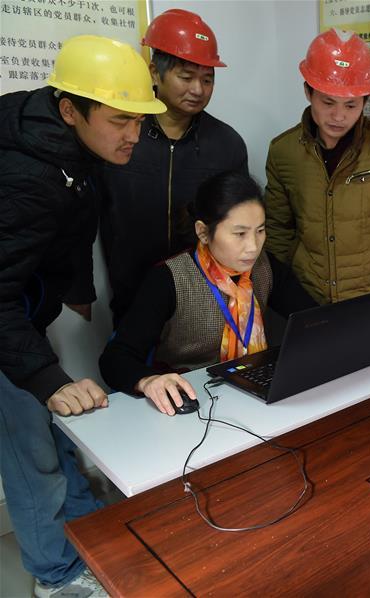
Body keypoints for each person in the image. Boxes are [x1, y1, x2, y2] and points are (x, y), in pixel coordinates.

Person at [0, 35, 165, 597]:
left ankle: (84, 524)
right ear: (71, 109)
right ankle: (55, 574)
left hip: (22, 302)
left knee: (55, 426)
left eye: (139, 121)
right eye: (120, 120)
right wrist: (44, 377)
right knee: (27, 445)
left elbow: (69, 211)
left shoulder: (60, 142)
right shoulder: (24, 172)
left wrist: (73, 286)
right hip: (4, 316)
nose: (133, 136)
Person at [99, 171, 316, 415]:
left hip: (254, 391)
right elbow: (115, 360)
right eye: (240, 234)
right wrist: (148, 381)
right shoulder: (169, 279)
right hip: (196, 401)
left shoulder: (265, 267)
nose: (253, 246)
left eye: (260, 230)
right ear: (203, 232)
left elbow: (313, 318)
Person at [98, 9, 249, 326]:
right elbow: (87, 212)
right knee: (134, 371)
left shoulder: (227, 145)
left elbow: (238, 225)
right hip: (131, 296)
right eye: (186, 76)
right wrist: (77, 285)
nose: (198, 89)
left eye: (207, 79)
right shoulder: (122, 137)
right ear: (155, 73)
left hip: (207, 302)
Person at [264, 28, 370, 305]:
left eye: (351, 106)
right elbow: (277, 229)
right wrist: (287, 290)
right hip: (306, 294)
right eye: (328, 102)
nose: (338, 116)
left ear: (365, 101)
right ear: (308, 91)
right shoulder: (283, 151)